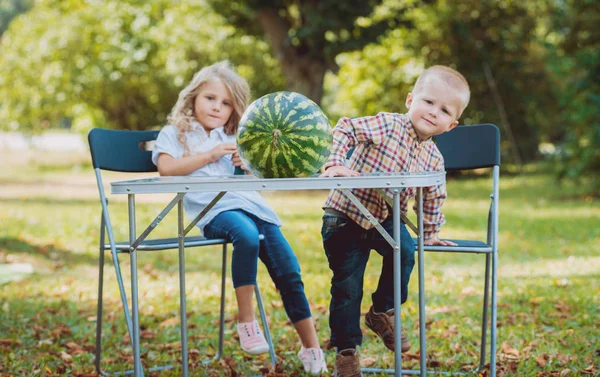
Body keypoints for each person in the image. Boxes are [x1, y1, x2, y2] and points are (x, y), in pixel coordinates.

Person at [151, 61, 327, 375]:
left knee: (289, 270)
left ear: (235, 109)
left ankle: (311, 348)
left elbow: (265, 171)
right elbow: (166, 169)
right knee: (245, 236)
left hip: (252, 206)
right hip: (212, 211)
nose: (217, 107)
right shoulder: (175, 133)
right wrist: (210, 154)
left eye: (227, 103)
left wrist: (245, 163)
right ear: (193, 97)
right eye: (210, 98)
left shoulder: (236, 135)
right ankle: (246, 322)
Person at [320, 65, 470, 376]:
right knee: (347, 288)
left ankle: (381, 311)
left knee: (406, 250)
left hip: (383, 217)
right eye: (428, 102)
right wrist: (336, 163)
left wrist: (429, 232)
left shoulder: (433, 158)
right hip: (345, 214)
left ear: (451, 125)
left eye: (443, 110)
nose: (432, 112)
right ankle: (347, 352)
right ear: (410, 99)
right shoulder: (386, 125)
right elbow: (346, 127)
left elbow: (433, 197)